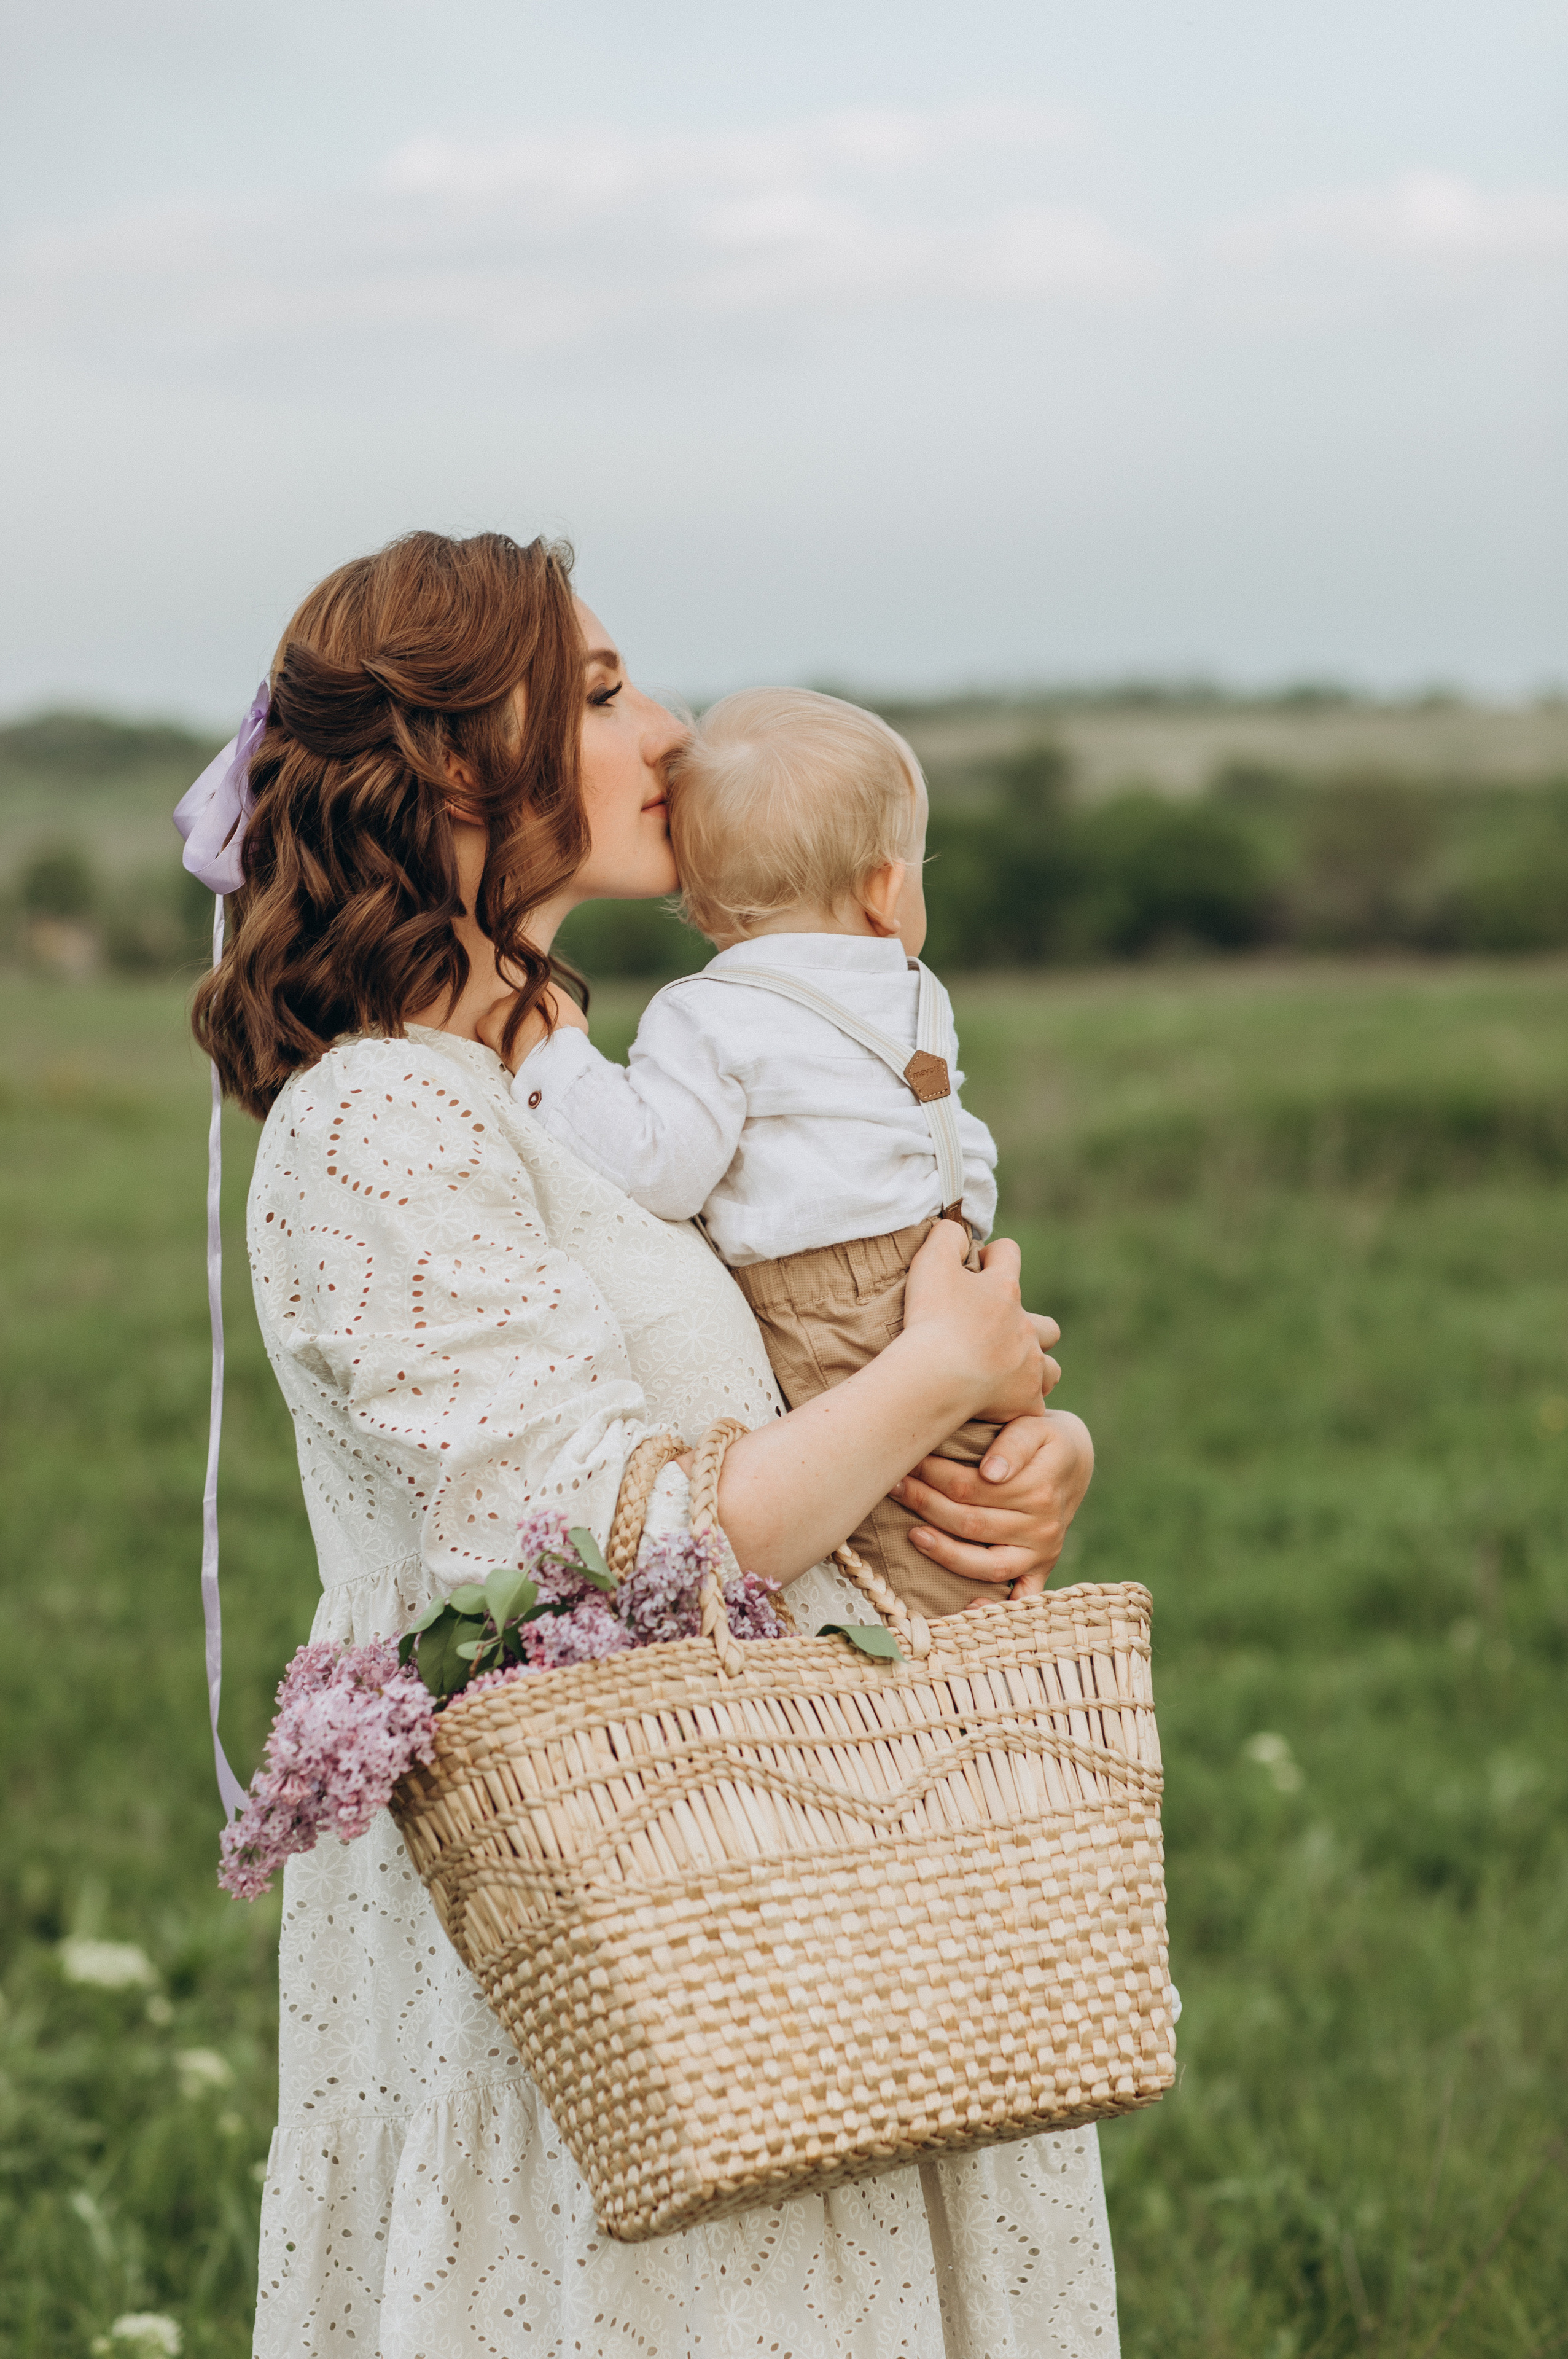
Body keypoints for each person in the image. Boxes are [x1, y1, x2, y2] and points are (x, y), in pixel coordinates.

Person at [192, 528, 1116, 2358]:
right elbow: (625, 1549)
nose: (672, 735)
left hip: (774, 1877)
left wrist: (1017, 1448)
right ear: (463, 763)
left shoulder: (605, 1113)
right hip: (597, 1933)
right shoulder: (381, 1124)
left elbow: (781, 1411)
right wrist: (933, 1381)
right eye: (607, 691)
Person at [511, 683, 1020, 1621]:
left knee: (882, 1540)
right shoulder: (917, 992)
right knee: (963, 1515)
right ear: (883, 888)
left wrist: (551, 1060)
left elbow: (660, 1163)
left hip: (821, 1299)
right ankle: (1000, 1660)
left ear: (702, 909)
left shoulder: (706, 1010)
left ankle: (932, 1681)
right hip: (950, 1263)